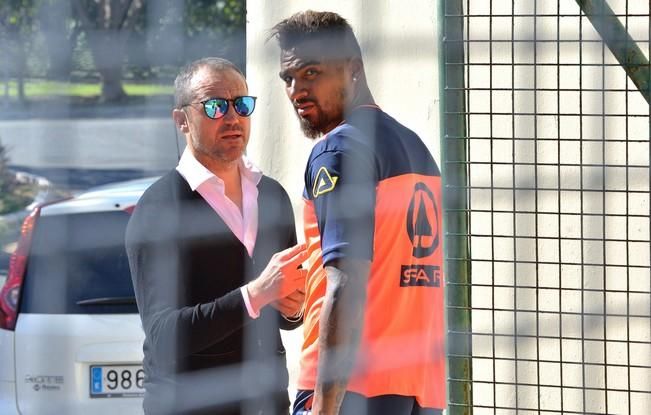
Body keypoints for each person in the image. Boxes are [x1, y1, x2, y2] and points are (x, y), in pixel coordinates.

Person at [270, 11, 445, 415]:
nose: (296, 90)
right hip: (423, 388)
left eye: (310, 73)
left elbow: (345, 284)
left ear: (353, 69)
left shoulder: (339, 152)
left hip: (351, 391)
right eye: (288, 79)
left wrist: (324, 407)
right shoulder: (416, 148)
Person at [125, 57, 307, 415]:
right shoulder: (159, 209)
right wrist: (254, 295)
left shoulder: (272, 196)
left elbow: (288, 311)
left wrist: (294, 306)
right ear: (181, 121)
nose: (232, 117)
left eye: (241, 104)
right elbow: (162, 337)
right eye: (214, 106)